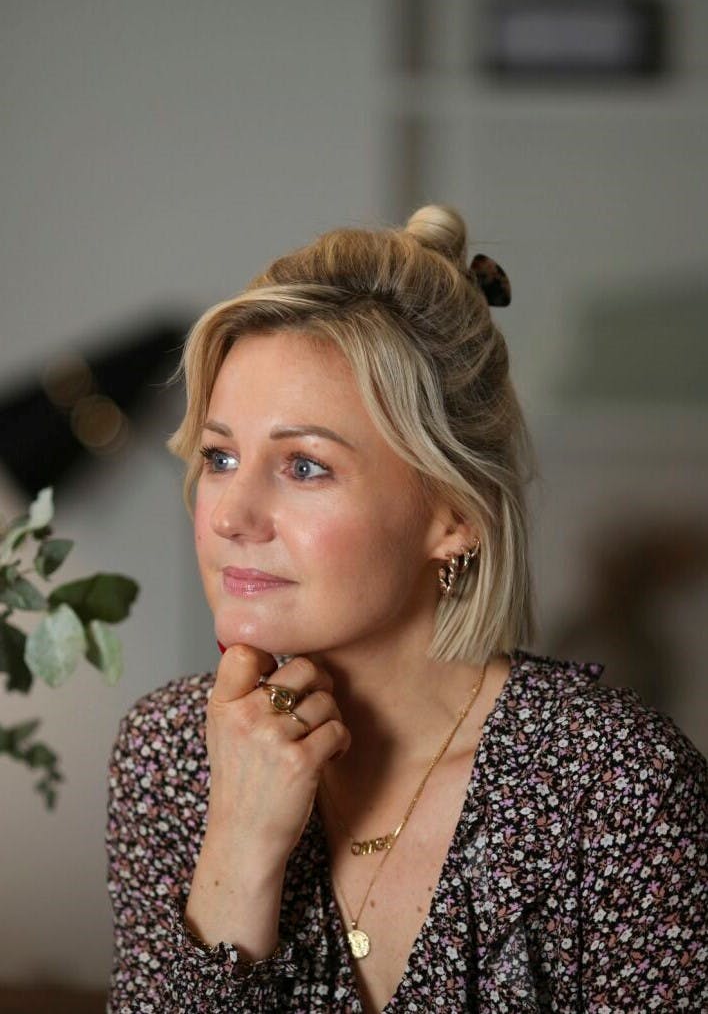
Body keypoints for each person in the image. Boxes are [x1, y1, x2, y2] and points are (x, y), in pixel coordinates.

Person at [106, 205, 706, 1013]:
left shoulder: (614, 785)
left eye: (305, 466)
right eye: (220, 456)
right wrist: (237, 851)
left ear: (453, 513)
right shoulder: (168, 755)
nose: (229, 516)